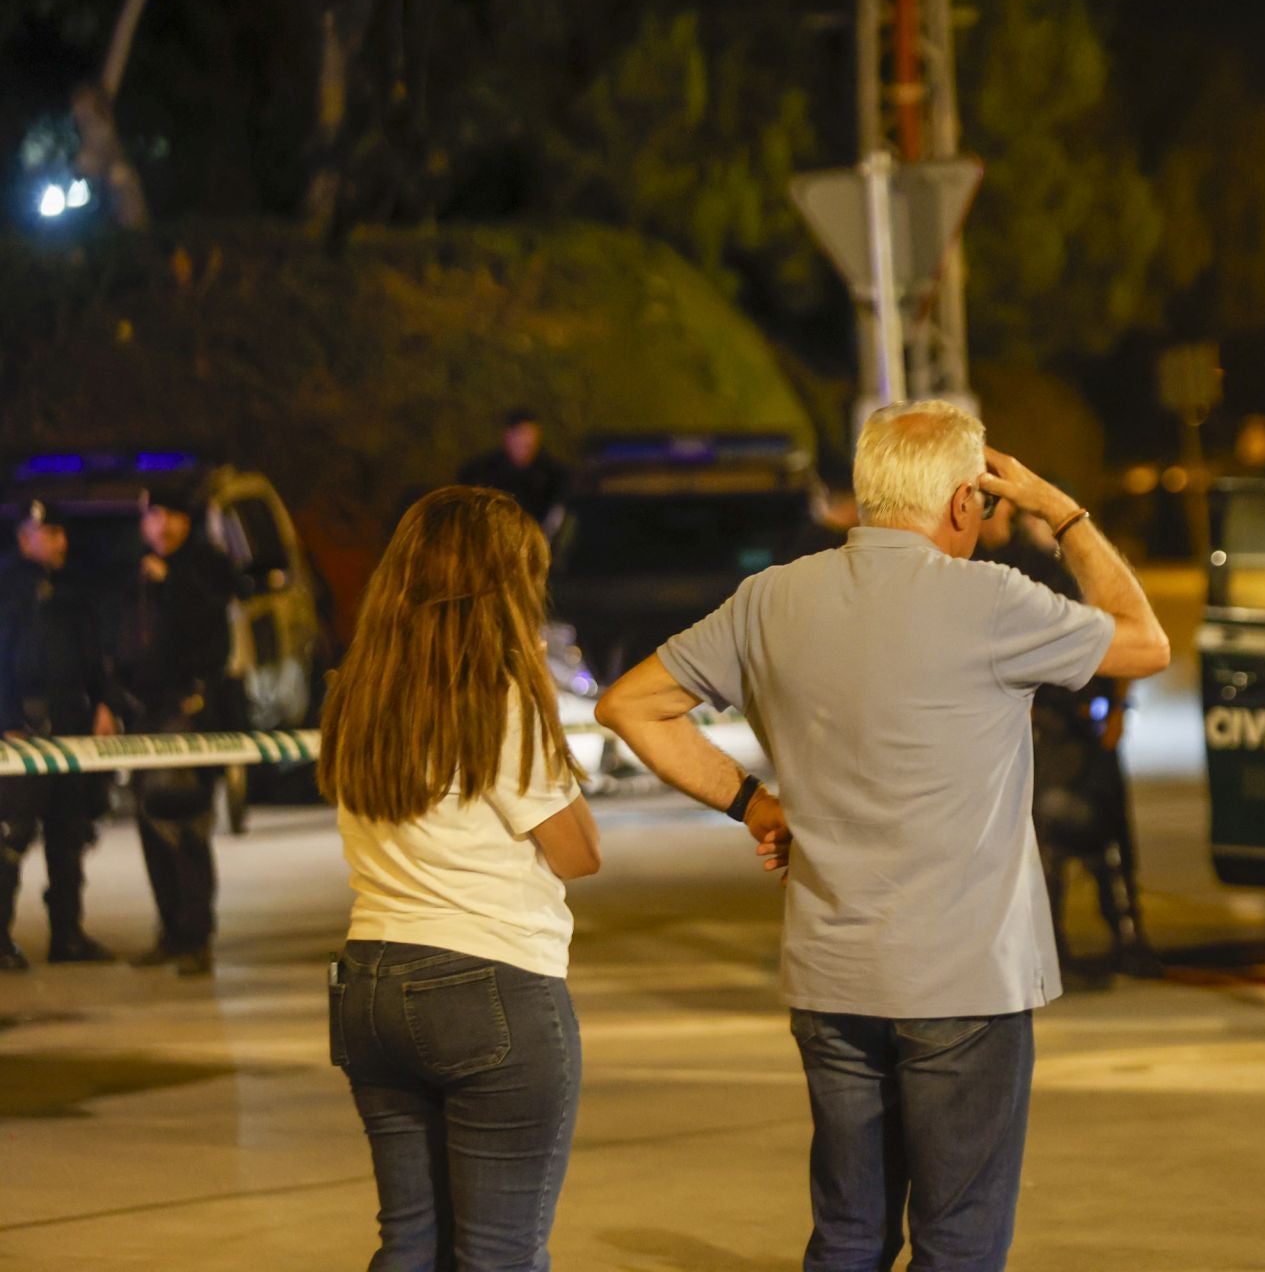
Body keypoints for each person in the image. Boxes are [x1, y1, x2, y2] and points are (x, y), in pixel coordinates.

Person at [594, 400, 1171, 1271]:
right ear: (963, 502)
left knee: (849, 1236)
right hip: (965, 982)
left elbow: (631, 705)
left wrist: (754, 804)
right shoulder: (991, 600)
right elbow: (1145, 644)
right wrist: (1063, 513)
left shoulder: (771, 598)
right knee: (957, 1242)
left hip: (832, 979)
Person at [318, 486, 603, 1269]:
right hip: (488, 983)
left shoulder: (357, 695)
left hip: (370, 982)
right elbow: (578, 852)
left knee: (409, 1244)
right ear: (501, 587)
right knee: (499, 1253)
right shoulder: (501, 699)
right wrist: (541, 697)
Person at [979, 502, 1159, 980]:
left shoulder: (1047, 567)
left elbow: (1119, 633)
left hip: (1084, 719)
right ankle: (1051, 946)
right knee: (1047, 835)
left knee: (1110, 830)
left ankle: (1127, 935)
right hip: (1045, 723)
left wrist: (1116, 709)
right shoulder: (983, 566)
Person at [120, 483, 238, 976]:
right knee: (151, 824)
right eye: (152, 516)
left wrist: (172, 585)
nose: (160, 526)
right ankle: (170, 931)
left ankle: (195, 936)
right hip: (144, 714)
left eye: (169, 515)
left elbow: (211, 638)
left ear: (187, 520)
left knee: (185, 823)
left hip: (189, 711)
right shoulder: (139, 569)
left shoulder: (205, 567)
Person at [0, 499, 118, 970]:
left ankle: (67, 936)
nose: (60, 541)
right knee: (11, 837)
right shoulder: (8, 587)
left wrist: (105, 702)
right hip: (22, 729)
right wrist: (6, 720)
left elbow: (94, 653)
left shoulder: (74, 587)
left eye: (62, 533)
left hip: (71, 724)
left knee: (68, 835)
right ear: (24, 537)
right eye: (48, 533)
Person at [457, 407, 569, 523]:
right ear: (507, 436)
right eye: (519, 435)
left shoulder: (554, 476)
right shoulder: (480, 471)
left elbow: (557, 514)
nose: (524, 441)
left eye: (529, 437)